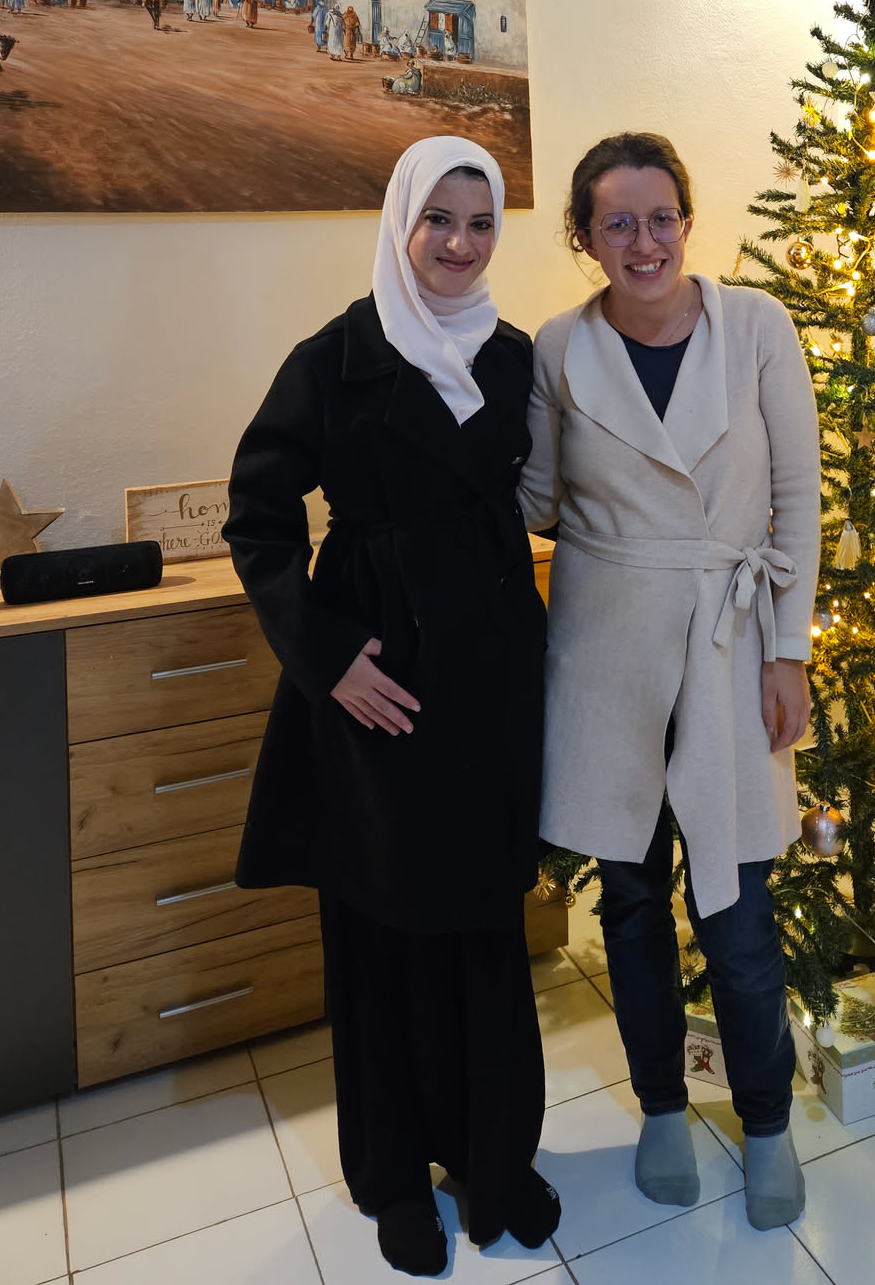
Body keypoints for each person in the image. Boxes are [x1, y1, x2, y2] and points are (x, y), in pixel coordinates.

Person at [223, 137, 556, 1277]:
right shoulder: (335, 358)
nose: (461, 243)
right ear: (401, 223)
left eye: (481, 222)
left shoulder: (514, 357)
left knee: (485, 926)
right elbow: (257, 519)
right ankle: (394, 1175)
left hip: (491, 679)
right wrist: (328, 661)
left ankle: (495, 1157)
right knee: (381, 932)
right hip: (377, 684)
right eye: (439, 220)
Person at [521, 131, 820, 1233]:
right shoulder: (560, 347)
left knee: (738, 909)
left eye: (661, 218)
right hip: (606, 650)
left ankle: (768, 1121)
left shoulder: (757, 327)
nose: (643, 242)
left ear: (688, 222)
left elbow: (799, 494)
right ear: (585, 238)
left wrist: (788, 649)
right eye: (618, 223)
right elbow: (534, 497)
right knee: (634, 899)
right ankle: (660, 1107)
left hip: (731, 642)